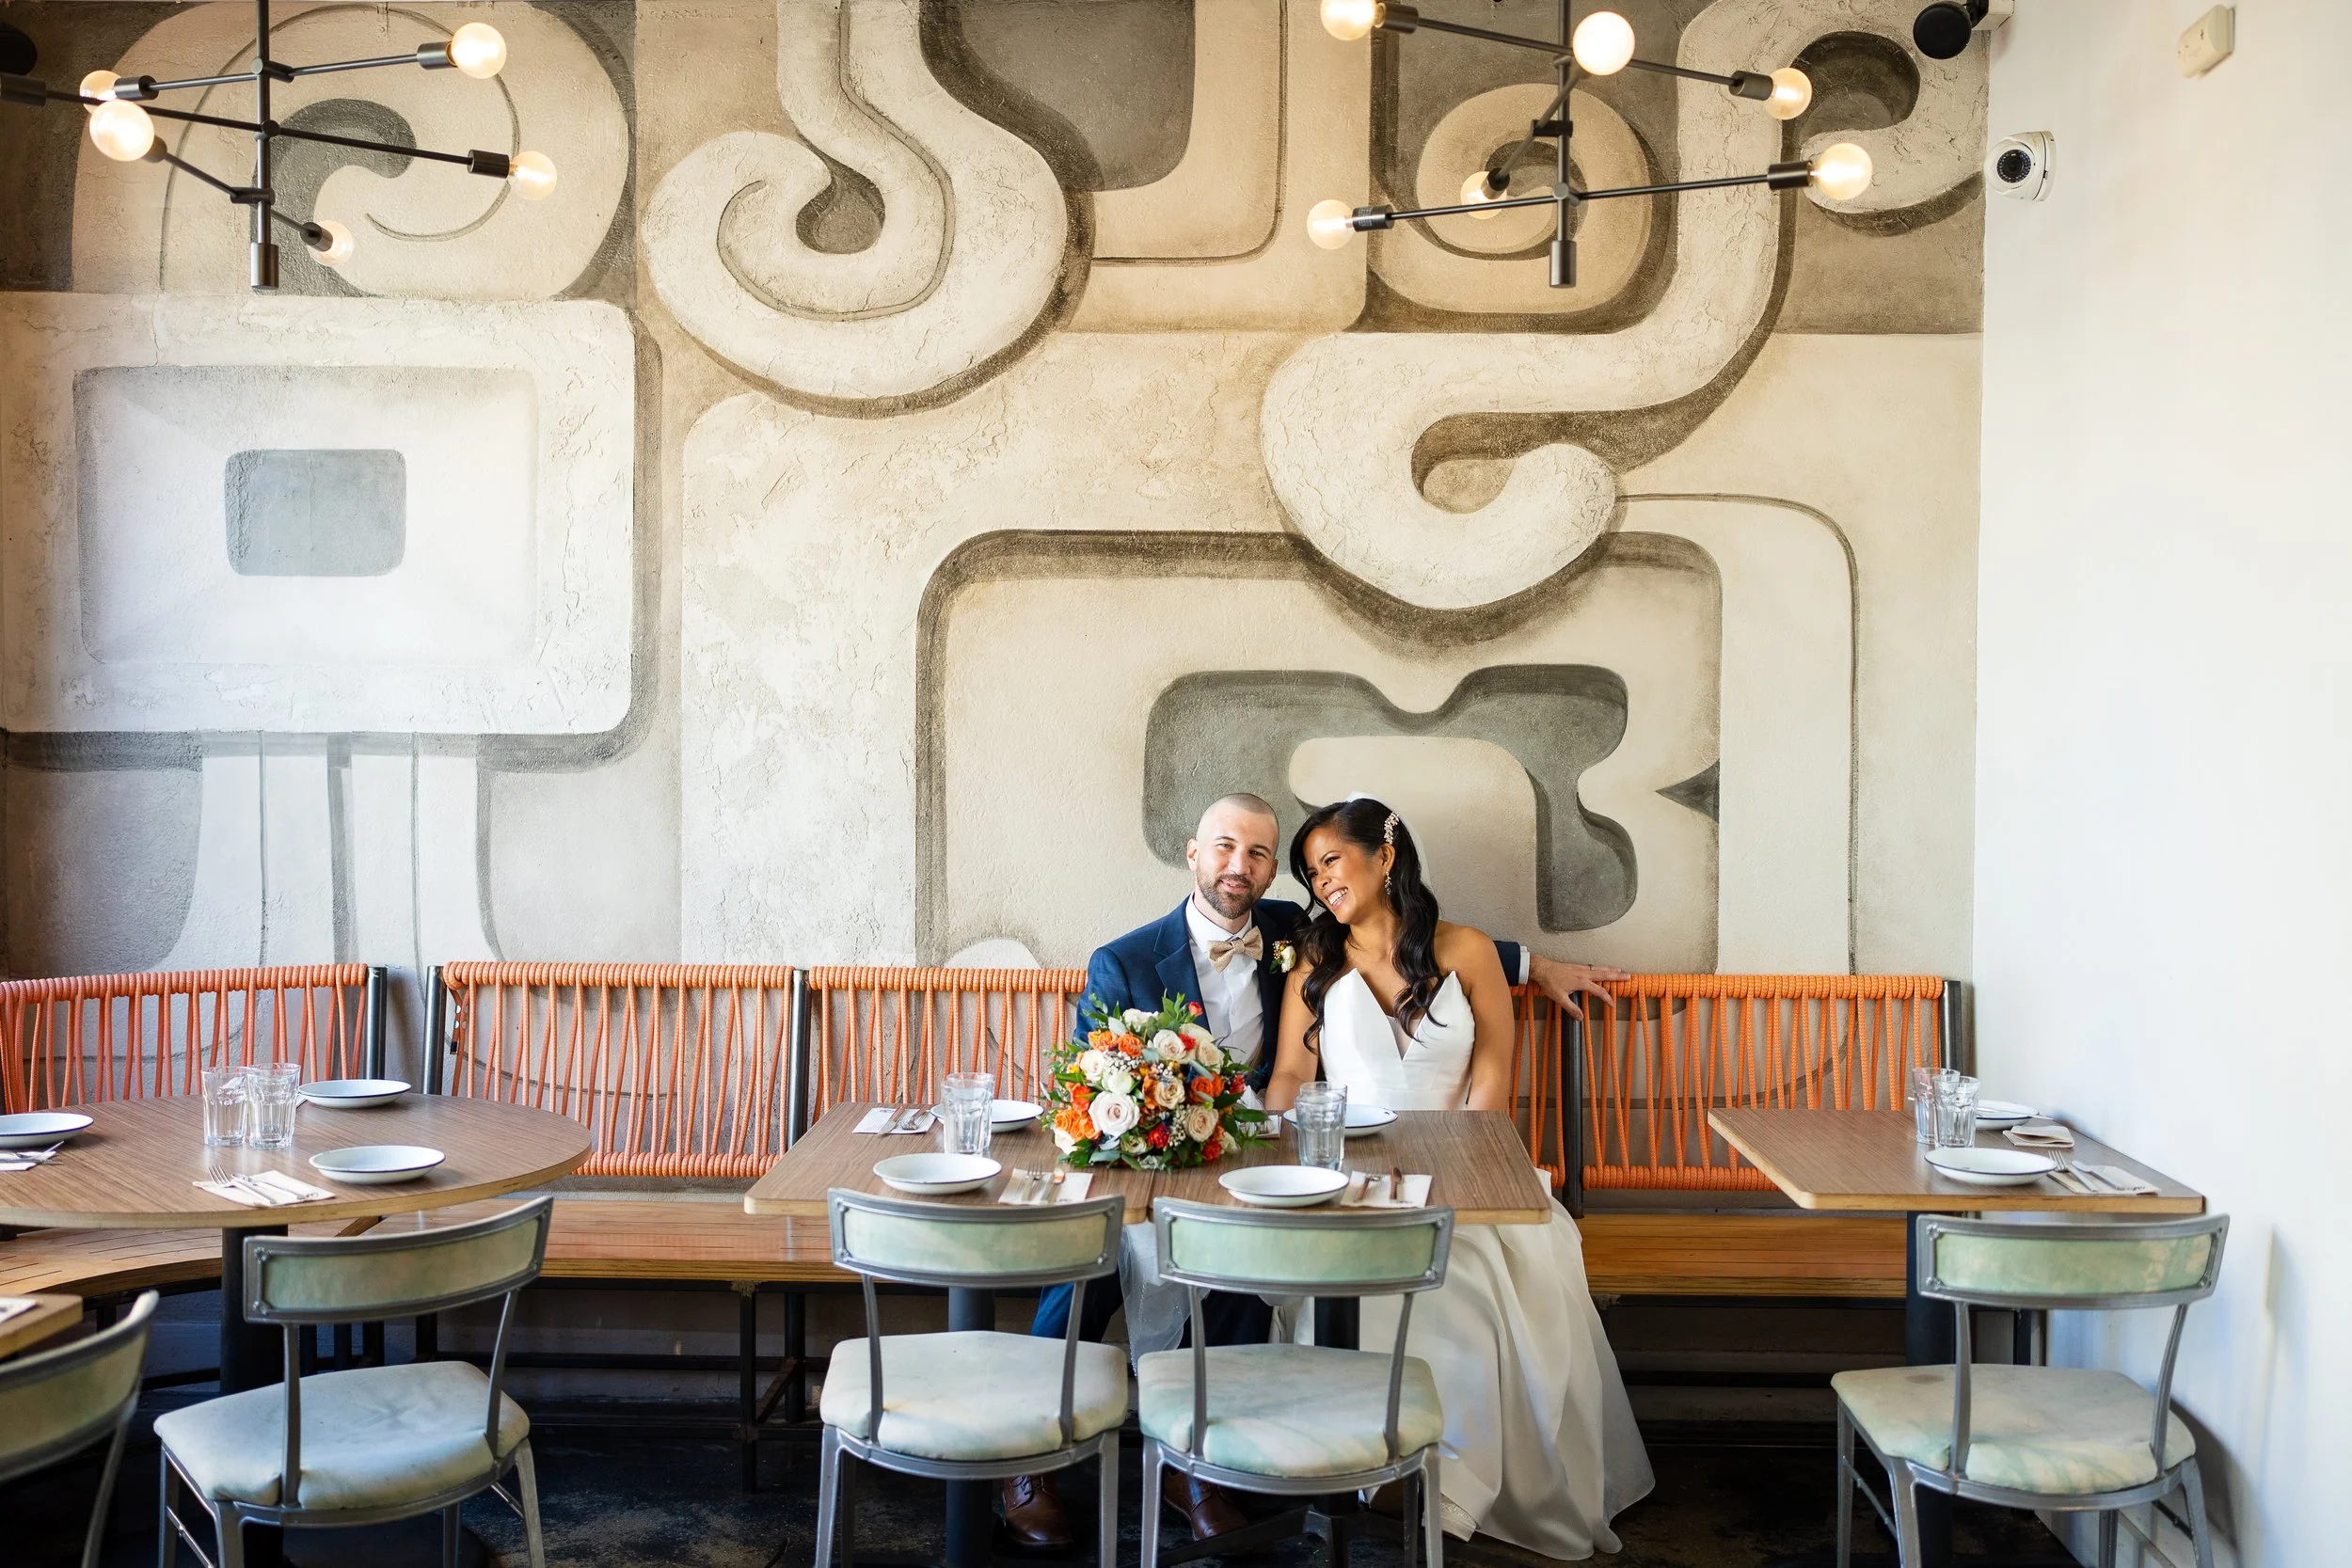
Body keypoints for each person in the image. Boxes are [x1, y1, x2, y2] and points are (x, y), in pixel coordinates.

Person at [1001, 792, 1627, 1550]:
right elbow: (1092, 1084)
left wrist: (1536, 962)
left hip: (1266, 1161)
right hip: (1163, 1159)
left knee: (1245, 1270)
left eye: (1260, 854)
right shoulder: (1125, 960)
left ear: (1274, 873)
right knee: (1093, 1253)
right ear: (1194, 853)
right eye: (1225, 847)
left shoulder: (1294, 935)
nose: (1240, 865)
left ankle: (1202, 1468)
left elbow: (1412, 937)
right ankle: (1028, 1457)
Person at [1263, 796, 1654, 1560]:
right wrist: (1279, 1153)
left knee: (1464, 1287)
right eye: (1311, 872)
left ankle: (1452, 1484)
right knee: (1360, 1288)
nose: (1322, 881)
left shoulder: (1469, 950)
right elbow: (1288, 1076)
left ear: (1385, 855)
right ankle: (1378, 1469)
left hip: (1465, 1171)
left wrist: (1452, 1180)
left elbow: (1491, 1086)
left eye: (1332, 860)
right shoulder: (1314, 963)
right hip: (1352, 1185)